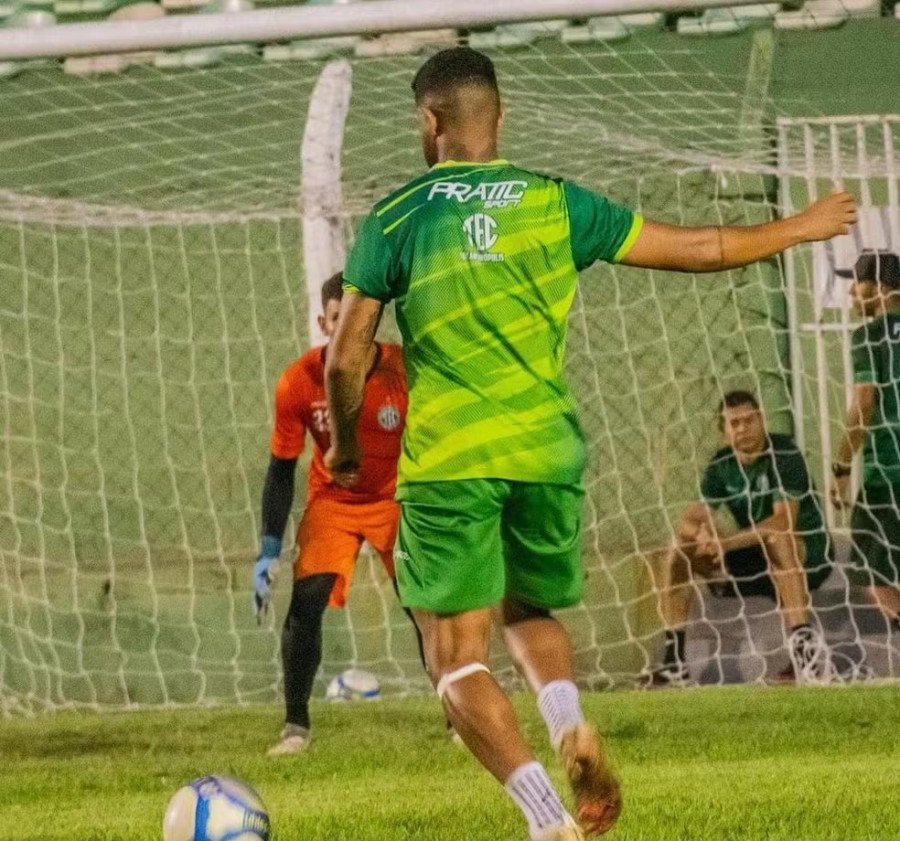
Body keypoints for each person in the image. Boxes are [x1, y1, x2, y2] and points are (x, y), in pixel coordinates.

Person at [322, 47, 856, 841]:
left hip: (453, 460)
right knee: (527, 603)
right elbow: (700, 249)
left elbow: (348, 353)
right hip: (547, 452)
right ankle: (568, 720)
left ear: (428, 124)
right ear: (498, 118)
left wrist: (342, 452)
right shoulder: (554, 202)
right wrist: (804, 225)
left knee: (455, 656)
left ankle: (547, 819)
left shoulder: (400, 216)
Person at [252, 272, 423, 756]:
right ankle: (295, 728)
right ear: (323, 322)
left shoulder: (405, 371)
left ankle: (459, 718)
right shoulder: (298, 382)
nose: (345, 333)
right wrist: (268, 548)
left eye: (355, 323)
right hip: (334, 501)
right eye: (334, 322)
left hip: (396, 497)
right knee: (305, 604)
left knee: (426, 605)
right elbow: (281, 468)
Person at [647, 390, 833, 687]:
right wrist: (703, 533)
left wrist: (726, 543)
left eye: (750, 420)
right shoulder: (722, 464)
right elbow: (689, 518)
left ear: (762, 420)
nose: (743, 428)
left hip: (807, 554)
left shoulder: (784, 453)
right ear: (724, 432)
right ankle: (674, 661)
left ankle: (804, 656)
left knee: (779, 538)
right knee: (678, 549)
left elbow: (783, 522)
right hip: (754, 555)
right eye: (735, 424)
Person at [831, 250, 900, 632]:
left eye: (856, 285)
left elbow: (864, 402)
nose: (852, 295)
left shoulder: (870, 336)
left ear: (877, 287)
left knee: (868, 570)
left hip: (888, 472)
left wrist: (841, 467)